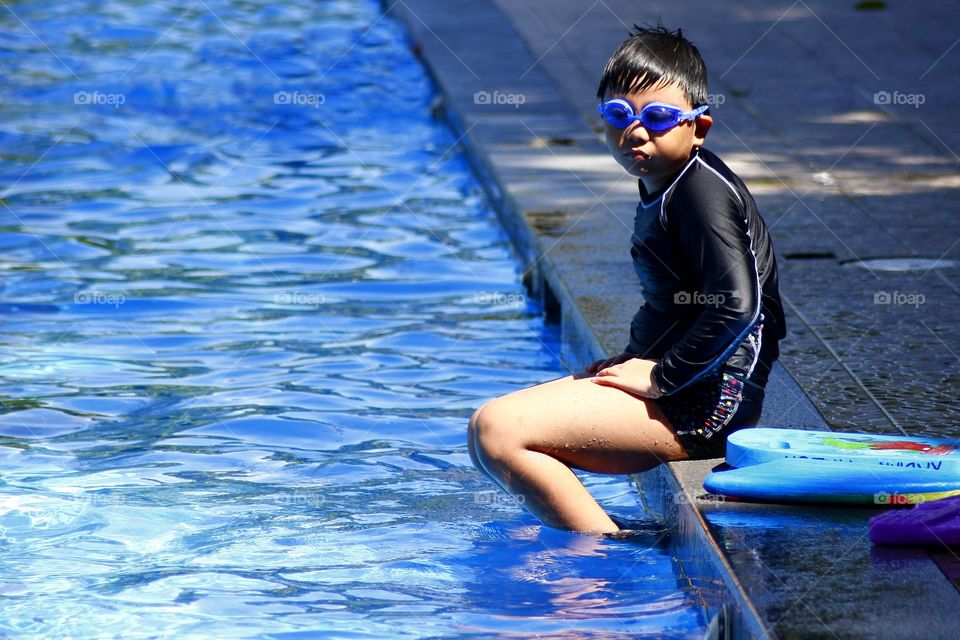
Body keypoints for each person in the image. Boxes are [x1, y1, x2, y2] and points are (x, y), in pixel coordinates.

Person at [468, 24, 786, 534]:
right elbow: (670, 302)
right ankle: (603, 539)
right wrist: (633, 355)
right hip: (689, 384)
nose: (635, 131)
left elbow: (739, 307)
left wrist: (661, 376)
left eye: (657, 118)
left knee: (499, 432)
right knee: (491, 430)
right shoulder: (667, 184)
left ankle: (605, 555)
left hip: (708, 404)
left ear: (699, 128)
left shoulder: (699, 195)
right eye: (619, 115)